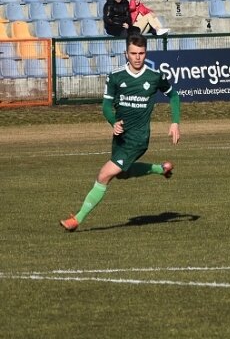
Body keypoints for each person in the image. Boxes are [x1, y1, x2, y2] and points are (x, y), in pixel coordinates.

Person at [60, 33, 181, 231]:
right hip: (120, 137)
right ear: (126, 53)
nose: (137, 57)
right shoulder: (116, 77)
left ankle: (77, 219)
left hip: (138, 139)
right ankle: (161, 168)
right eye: (133, 53)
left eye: (141, 53)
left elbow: (174, 95)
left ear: (145, 53)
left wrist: (175, 122)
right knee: (123, 175)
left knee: (104, 175)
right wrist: (113, 121)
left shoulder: (154, 77)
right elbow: (106, 105)